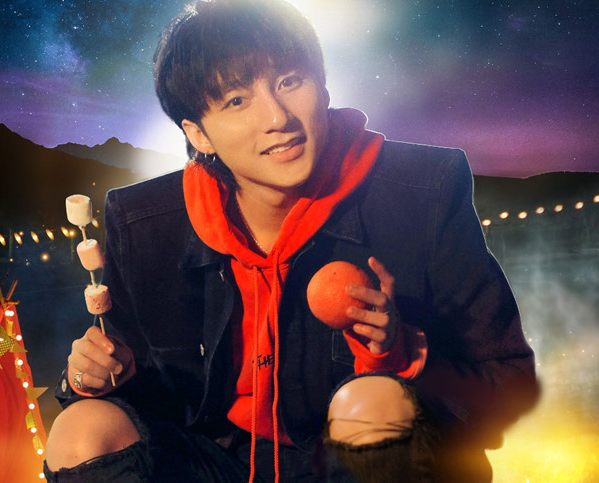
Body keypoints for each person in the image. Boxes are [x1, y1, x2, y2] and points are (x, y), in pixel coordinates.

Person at [44, 0, 538, 481]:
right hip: (217, 461)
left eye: (289, 81)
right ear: (198, 134)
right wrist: (92, 377)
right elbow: (134, 395)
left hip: (357, 462)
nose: (277, 118)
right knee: (83, 430)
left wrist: (402, 354)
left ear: (323, 86)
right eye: (237, 100)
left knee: (373, 404)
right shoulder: (144, 223)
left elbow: (505, 383)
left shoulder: (424, 191)